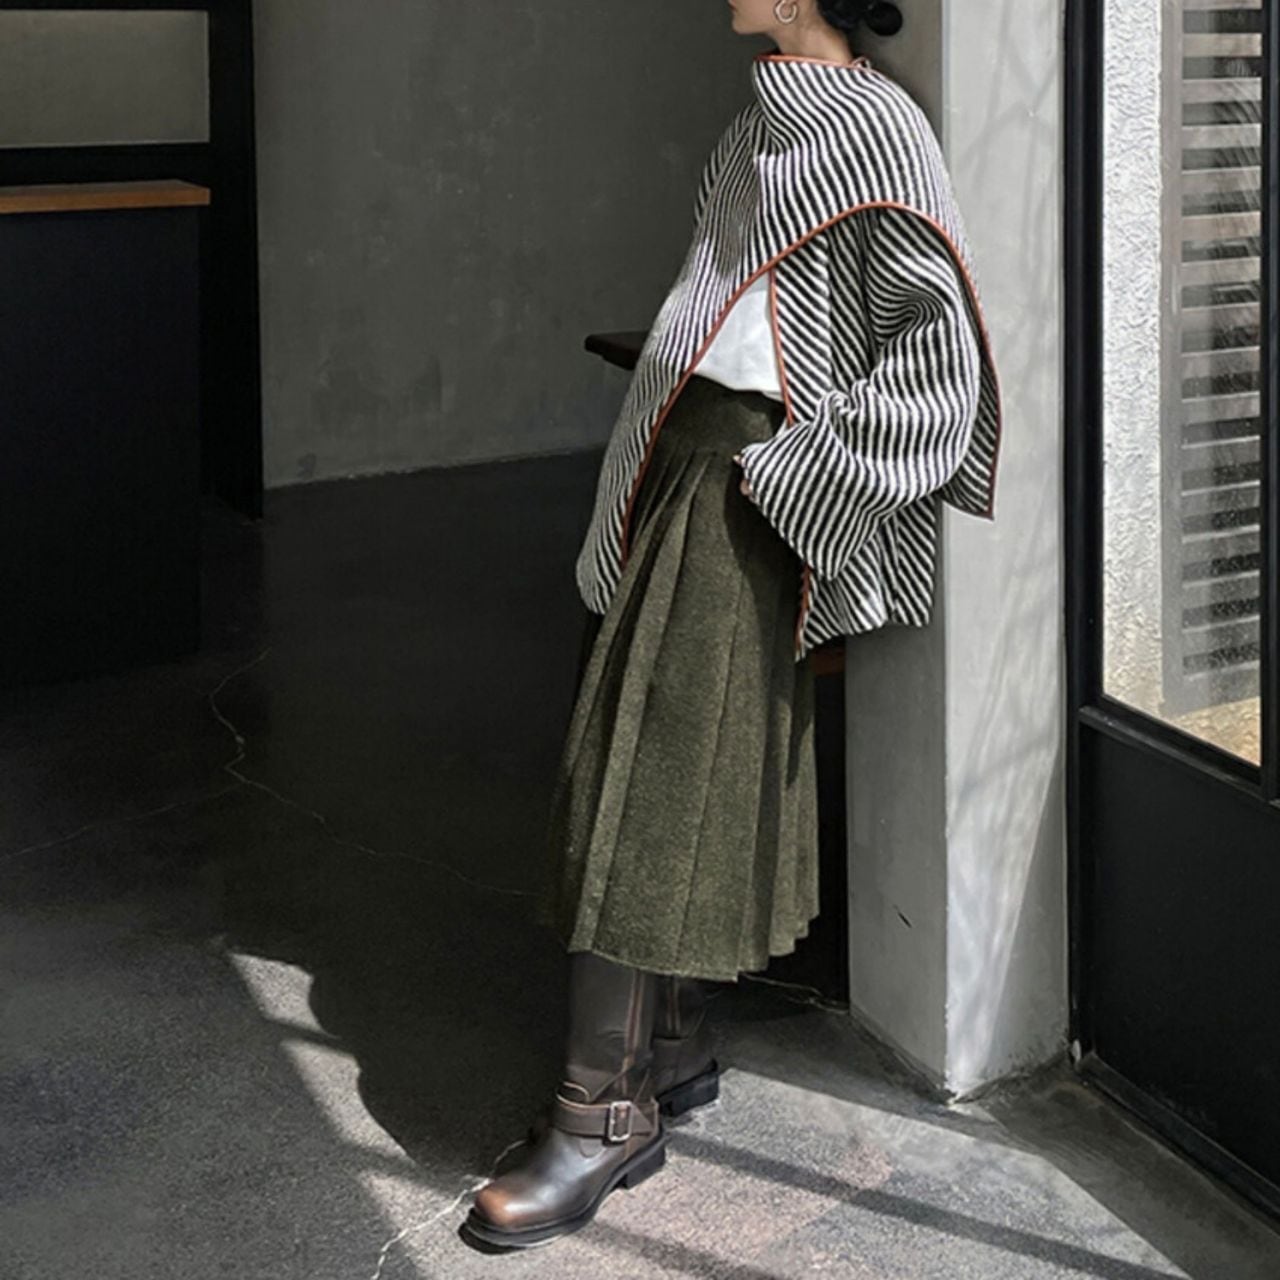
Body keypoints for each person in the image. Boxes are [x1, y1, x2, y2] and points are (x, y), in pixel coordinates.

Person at [463, 0, 1001, 1250]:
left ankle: (600, 1112)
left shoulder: (878, 131)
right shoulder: (752, 127)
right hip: (682, 460)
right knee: (649, 765)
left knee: (650, 787)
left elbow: (943, 368)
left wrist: (795, 477)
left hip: (752, 480)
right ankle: (667, 1047)